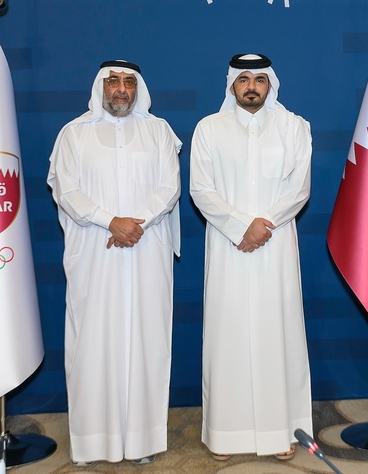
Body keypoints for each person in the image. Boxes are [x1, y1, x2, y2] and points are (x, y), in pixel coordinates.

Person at [48, 60, 181, 465]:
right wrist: (111, 221)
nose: (121, 89)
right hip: (95, 251)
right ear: (100, 87)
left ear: (137, 88)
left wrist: (136, 224)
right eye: (113, 81)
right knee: (92, 341)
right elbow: (66, 190)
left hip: (147, 248)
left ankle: (142, 441)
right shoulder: (74, 134)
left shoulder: (158, 131)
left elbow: (170, 187)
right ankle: (93, 442)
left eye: (128, 82)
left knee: (147, 339)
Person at [190, 54, 312, 461]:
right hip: (229, 246)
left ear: (270, 84)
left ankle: (282, 431)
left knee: (278, 332)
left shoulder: (294, 127)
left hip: (275, 245)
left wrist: (264, 224)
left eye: (259, 79)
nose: (251, 86)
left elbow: (300, 188)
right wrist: (241, 226)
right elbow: (201, 189)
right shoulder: (209, 128)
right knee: (228, 335)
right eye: (243, 79)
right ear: (232, 85)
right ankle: (225, 434)